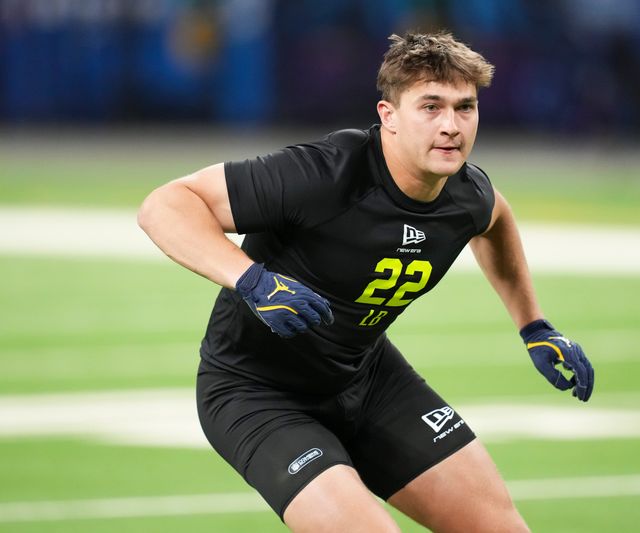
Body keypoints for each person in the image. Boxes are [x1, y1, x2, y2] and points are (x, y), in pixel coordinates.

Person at [138, 31, 594, 533]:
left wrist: (533, 325)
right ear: (388, 116)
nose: (451, 126)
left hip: (368, 378)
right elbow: (165, 205)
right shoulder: (325, 174)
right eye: (431, 107)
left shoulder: (466, 192)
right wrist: (250, 279)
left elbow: (495, 220)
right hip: (257, 392)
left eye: (465, 108)